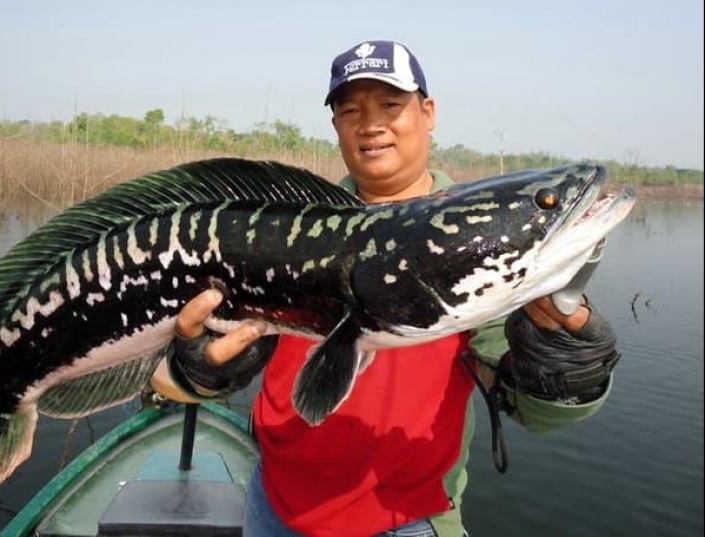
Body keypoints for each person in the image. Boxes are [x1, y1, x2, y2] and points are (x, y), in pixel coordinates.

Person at [150, 40, 621, 537]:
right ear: (336, 124)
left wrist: (569, 368)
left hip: (407, 521)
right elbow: (169, 380)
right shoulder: (280, 230)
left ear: (427, 112)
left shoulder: (479, 249)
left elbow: (535, 409)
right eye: (350, 110)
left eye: (390, 105)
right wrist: (200, 369)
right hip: (272, 502)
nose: (370, 124)